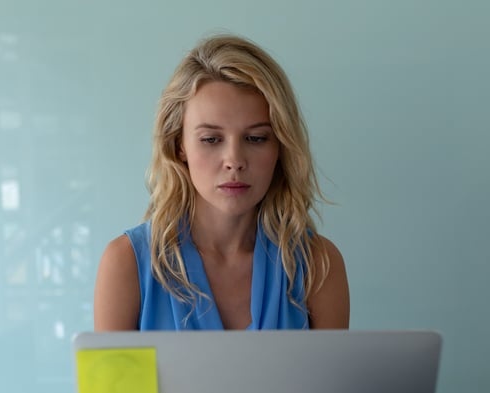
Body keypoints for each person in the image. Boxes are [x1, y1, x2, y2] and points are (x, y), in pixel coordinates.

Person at [94, 34, 350, 331]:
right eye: (211, 139)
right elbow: (112, 381)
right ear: (179, 145)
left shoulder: (318, 265)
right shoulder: (126, 264)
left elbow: (333, 380)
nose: (234, 160)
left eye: (256, 138)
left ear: (280, 146)